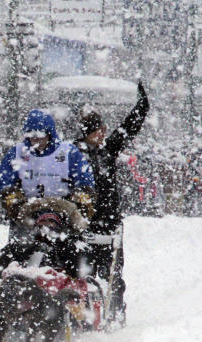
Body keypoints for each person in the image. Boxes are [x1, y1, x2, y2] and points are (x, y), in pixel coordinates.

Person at [74, 80, 150, 326]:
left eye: (103, 129)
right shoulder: (74, 154)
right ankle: (86, 315)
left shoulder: (108, 151)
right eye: (97, 130)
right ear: (86, 132)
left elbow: (127, 129)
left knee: (113, 271)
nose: (102, 134)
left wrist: (141, 107)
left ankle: (115, 311)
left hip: (109, 222)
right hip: (85, 223)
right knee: (83, 272)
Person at [0, 109, 96, 277]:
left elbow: (85, 186)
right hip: (28, 218)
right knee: (2, 262)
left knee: (81, 263)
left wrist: (78, 210)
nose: (36, 140)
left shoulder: (68, 153)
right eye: (32, 136)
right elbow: (5, 187)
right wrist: (18, 208)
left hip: (64, 217)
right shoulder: (16, 154)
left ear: (50, 134)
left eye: (40, 136)